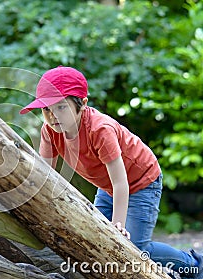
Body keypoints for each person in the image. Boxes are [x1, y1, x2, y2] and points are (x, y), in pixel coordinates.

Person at [20, 66, 203, 278]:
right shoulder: (50, 132)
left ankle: (193, 265)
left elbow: (121, 182)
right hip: (107, 188)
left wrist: (118, 224)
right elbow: (45, 175)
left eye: (61, 107)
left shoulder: (100, 130)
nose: (52, 116)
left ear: (83, 105)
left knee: (132, 248)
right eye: (46, 109)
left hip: (140, 182)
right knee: (94, 238)